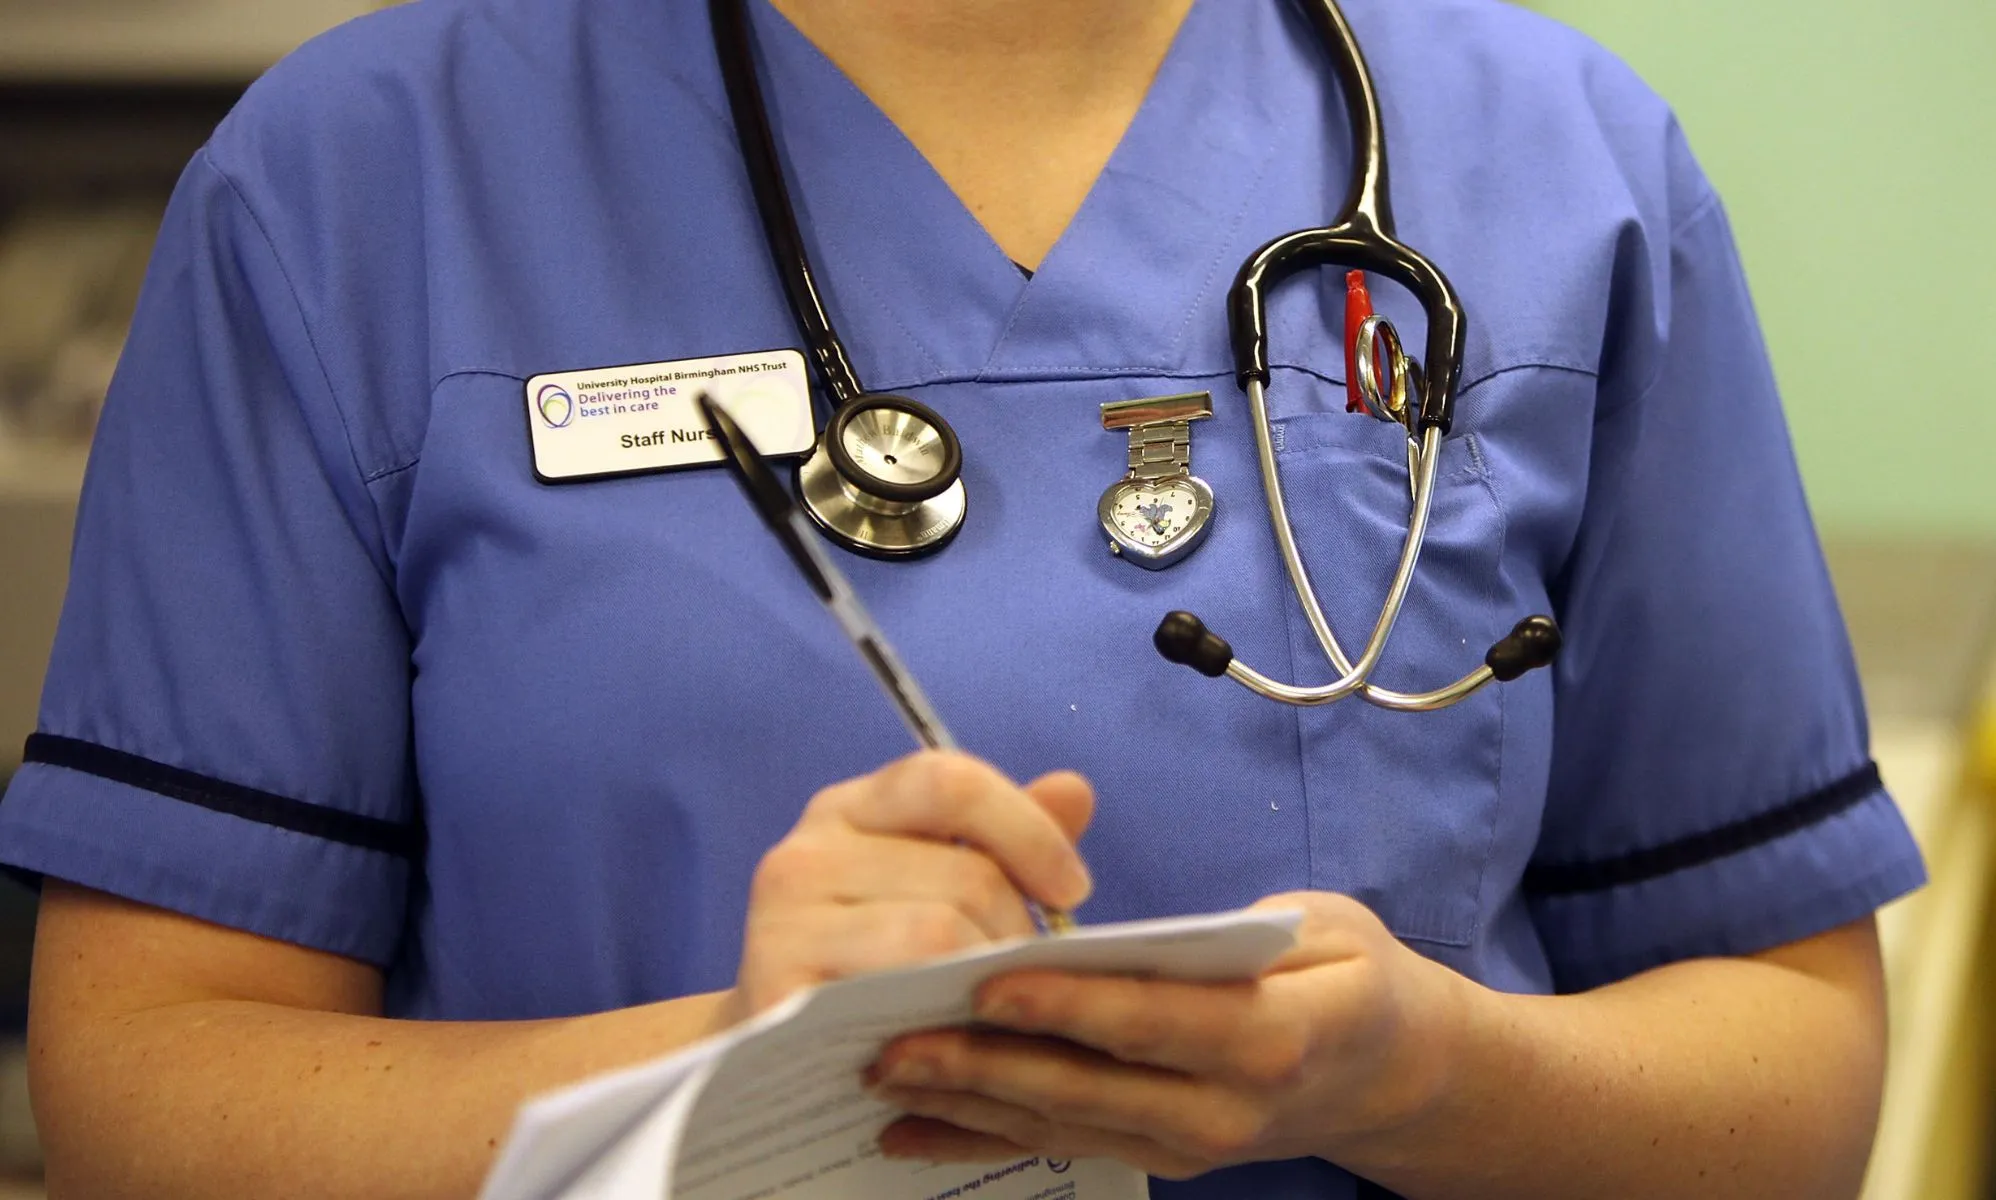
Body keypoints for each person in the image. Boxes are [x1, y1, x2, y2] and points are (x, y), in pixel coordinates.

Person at [0, 0, 1926, 1196]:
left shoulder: (1559, 166)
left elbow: (1791, 1088)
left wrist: (1419, 1073)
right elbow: (148, 1098)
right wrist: (731, 1069)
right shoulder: (359, 184)